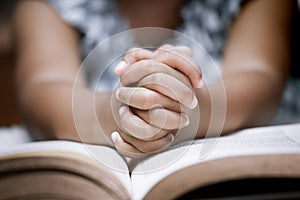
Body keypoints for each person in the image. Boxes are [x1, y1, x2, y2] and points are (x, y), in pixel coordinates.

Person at [13, 0, 293, 158]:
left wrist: (187, 109)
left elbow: (261, 77)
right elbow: (43, 89)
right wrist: (121, 113)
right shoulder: (52, 6)